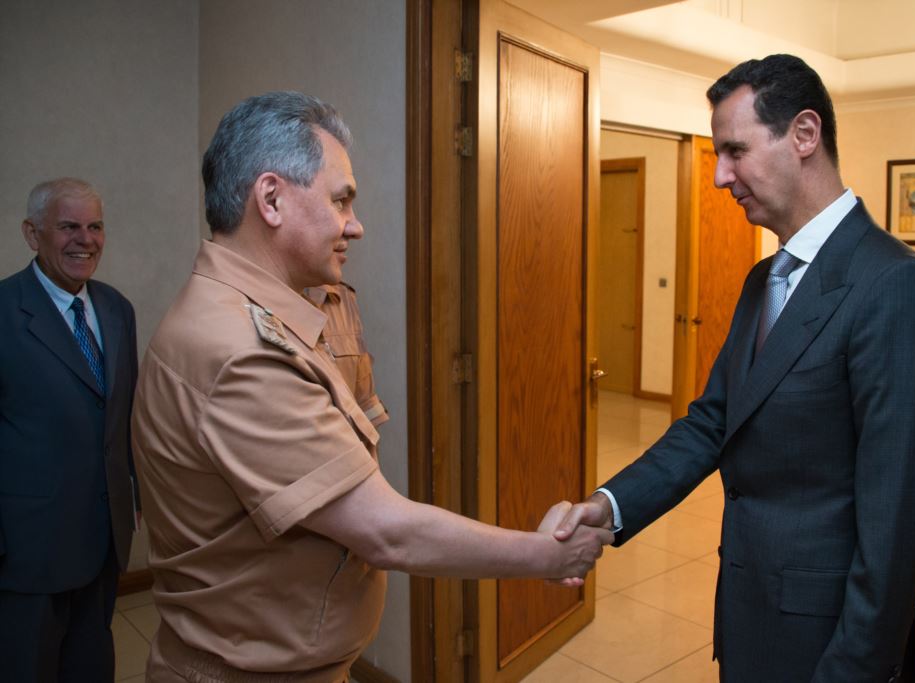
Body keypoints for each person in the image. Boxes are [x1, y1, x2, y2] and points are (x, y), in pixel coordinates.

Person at [132, 91, 611, 681]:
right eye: (341, 200)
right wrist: (546, 555)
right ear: (272, 198)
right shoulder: (240, 350)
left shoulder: (261, 313)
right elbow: (385, 532)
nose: (354, 225)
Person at [555, 54, 915, 683]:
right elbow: (713, 421)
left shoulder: (896, 286)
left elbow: (901, 528)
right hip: (751, 615)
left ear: (804, 135)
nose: (720, 176)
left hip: (829, 641)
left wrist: (856, 667)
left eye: (734, 151)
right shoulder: (762, 281)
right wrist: (610, 506)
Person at [0, 178, 139, 681]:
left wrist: (134, 502)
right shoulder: (3, 311)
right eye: (68, 227)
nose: (86, 239)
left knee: (91, 665)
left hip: (102, 542)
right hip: (28, 551)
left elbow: (122, 420)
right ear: (32, 233)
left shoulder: (117, 310)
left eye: (95, 226)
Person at [303, 281, 389, 442]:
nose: (346, 253)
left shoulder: (342, 298)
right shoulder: (254, 301)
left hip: (347, 457)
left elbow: (366, 408)